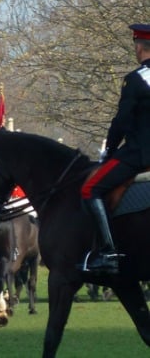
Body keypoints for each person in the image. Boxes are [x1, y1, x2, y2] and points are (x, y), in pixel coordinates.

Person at [79, 23, 150, 274]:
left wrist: (108, 151)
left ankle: (108, 252)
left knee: (90, 188)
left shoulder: (135, 80)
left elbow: (122, 122)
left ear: (140, 47)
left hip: (140, 155)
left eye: (136, 45)